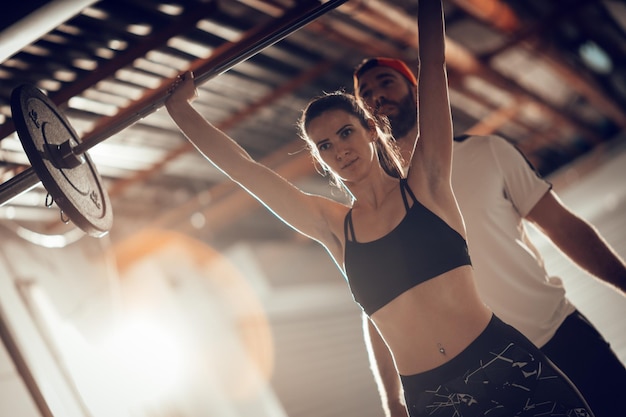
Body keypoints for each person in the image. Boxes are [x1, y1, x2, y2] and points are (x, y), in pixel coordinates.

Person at [165, 1, 595, 415]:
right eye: (325, 145)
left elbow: (433, 66)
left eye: (346, 132)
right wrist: (181, 110)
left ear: (371, 130)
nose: (339, 150)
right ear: (319, 159)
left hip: (506, 365)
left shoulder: (427, 181)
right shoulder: (333, 226)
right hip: (433, 399)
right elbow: (244, 170)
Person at [353, 52, 626, 416]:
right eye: (365, 94)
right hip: (490, 377)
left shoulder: (489, 152)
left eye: (386, 82)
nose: (376, 97)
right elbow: (379, 310)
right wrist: (392, 400)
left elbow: (563, 227)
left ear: (418, 92)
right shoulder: (379, 211)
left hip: (560, 336)